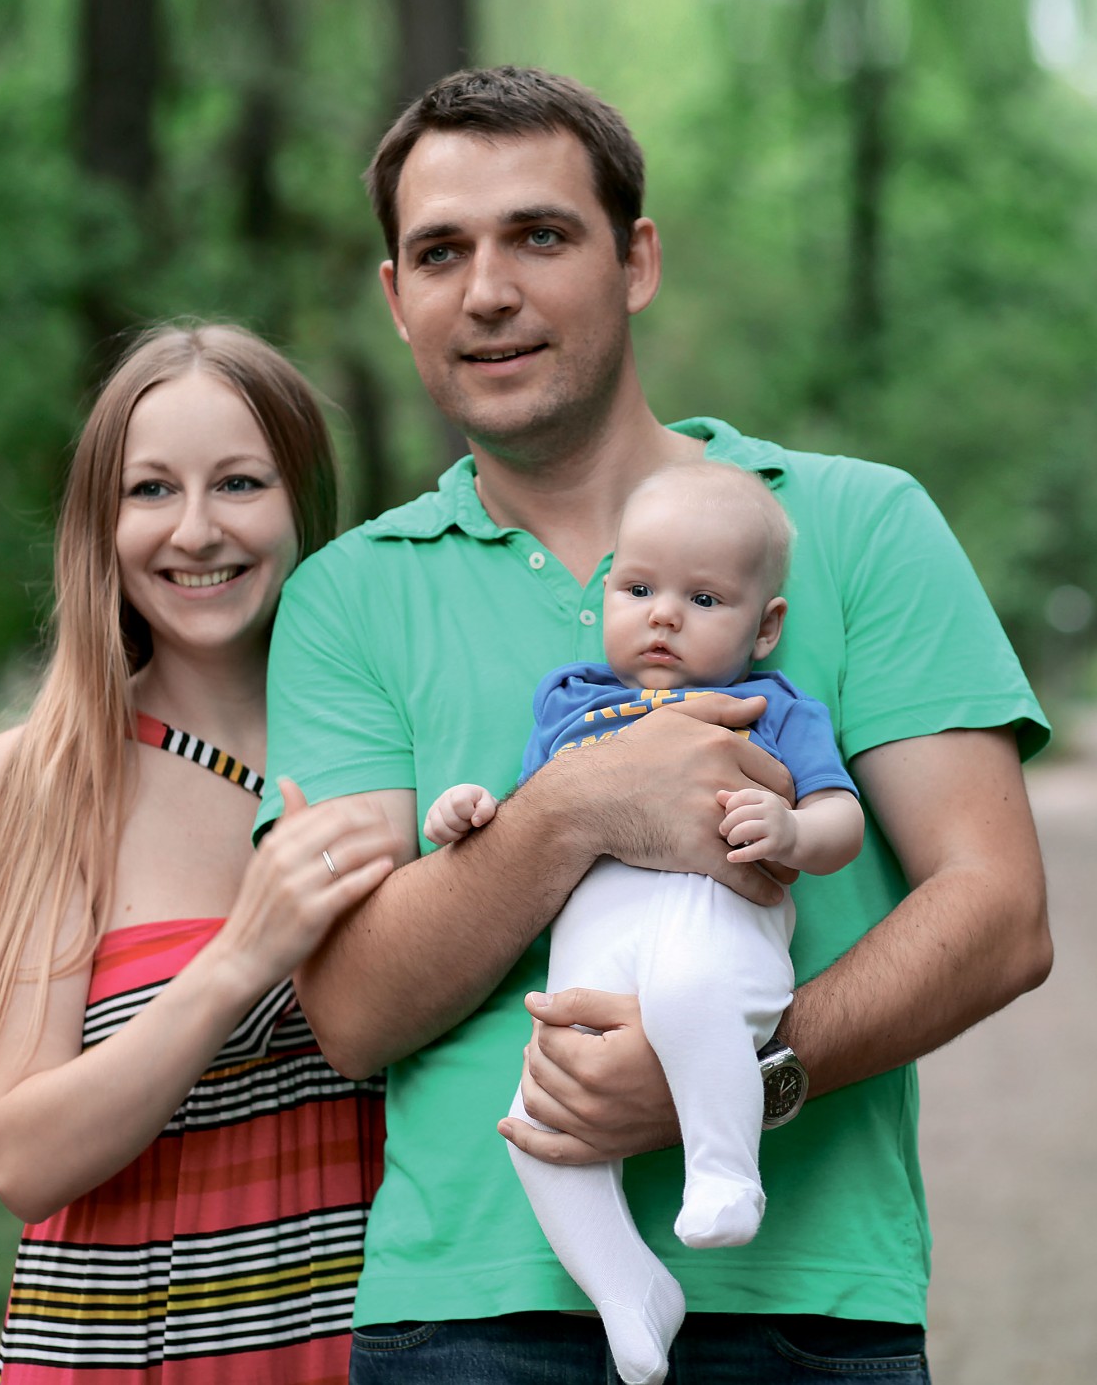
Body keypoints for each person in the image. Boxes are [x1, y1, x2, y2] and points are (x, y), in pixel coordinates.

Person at [260, 66, 1052, 1383]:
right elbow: (351, 1009)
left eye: (540, 235)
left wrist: (752, 1070)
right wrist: (578, 804)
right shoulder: (350, 596)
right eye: (441, 252)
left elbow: (999, 911)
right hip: (464, 1320)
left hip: (805, 1309)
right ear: (396, 298)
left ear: (635, 260)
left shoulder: (857, 524)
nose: (488, 290)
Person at [0, 323, 401, 1382]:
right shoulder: (46, 777)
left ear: (303, 501)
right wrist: (240, 958)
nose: (195, 529)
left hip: (378, 1346)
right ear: (102, 522)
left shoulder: (394, 743)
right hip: (129, 1349)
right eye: (150, 490)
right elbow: (23, 1156)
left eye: (238, 482)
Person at [423, 461, 865, 1384]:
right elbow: (533, 817)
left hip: (712, 927)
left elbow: (842, 821)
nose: (663, 615)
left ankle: (724, 1173)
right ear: (606, 593)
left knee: (686, 995)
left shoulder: (776, 709)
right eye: (638, 589)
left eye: (703, 598)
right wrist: (471, 810)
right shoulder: (570, 702)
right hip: (593, 952)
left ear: (765, 625)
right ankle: (629, 1291)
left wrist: (792, 829)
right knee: (537, 1127)